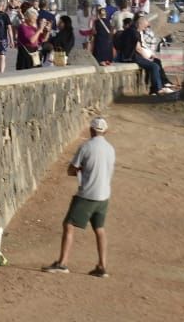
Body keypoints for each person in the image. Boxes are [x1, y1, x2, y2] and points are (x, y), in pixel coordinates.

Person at [43, 116, 115, 277]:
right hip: (104, 195)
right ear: (105, 131)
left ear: (91, 130)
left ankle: (62, 263)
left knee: (68, 225)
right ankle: (102, 266)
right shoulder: (111, 149)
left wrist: (80, 170)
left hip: (87, 194)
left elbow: (71, 169)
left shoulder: (86, 147)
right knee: (99, 229)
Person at [15, 6, 45, 71]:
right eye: (34, 18)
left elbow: (42, 40)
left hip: (35, 54)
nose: (35, 20)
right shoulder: (23, 27)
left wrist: (46, 31)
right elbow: (31, 40)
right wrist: (39, 30)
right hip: (26, 55)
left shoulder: (34, 28)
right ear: (29, 17)